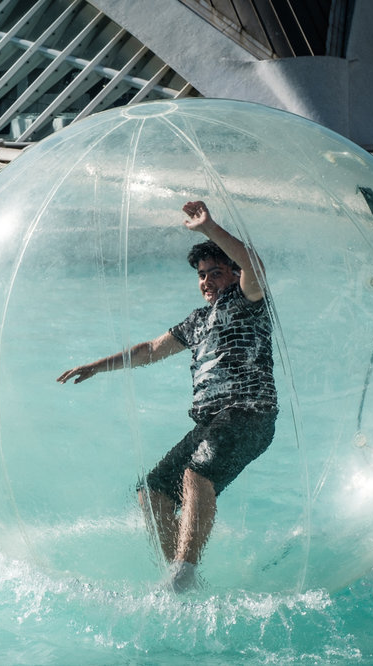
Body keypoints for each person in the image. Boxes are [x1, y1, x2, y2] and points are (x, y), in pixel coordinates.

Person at [57, 201, 277, 592]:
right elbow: (151, 350)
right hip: (212, 421)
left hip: (248, 414)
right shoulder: (196, 320)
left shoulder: (249, 301)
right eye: (201, 275)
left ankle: (183, 573)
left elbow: (255, 265)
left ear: (235, 273)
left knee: (196, 474)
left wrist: (210, 228)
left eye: (215, 272)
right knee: (153, 491)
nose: (206, 281)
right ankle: (181, 575)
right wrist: (97, 365)